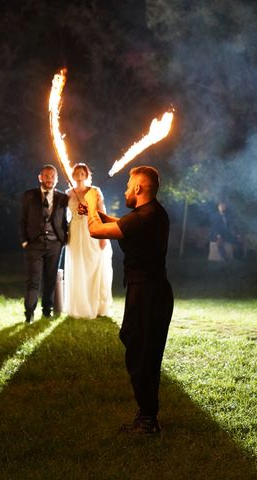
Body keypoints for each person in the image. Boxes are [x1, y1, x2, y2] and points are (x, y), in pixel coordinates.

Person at [82, 165, 173, 435]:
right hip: (151, 291)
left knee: (141, 353)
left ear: (138, 188)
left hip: (147, 294)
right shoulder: (150, 213)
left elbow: (98, 232)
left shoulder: (145, 216)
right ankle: (147, 414)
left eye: (127, 186)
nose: (125, 190)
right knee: (142, 350)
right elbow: (121, 226)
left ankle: (147, 420)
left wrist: (89, 202)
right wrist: (95, 212)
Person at [20, 164, 68, 323]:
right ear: (40, 177)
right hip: (34, 244)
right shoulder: (29, 196)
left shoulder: (62, 197)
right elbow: (22, 219)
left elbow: (66, 219)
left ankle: (47, 310)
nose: (50, 179)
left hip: (55, 244)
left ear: (56, 179)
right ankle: (29, 313)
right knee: (33, 279)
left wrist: (64, 239)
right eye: (47, 176)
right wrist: (24, 241)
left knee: (51, 279)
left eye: (53, 176)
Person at [64, 163, 113, 318]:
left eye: (82, 173)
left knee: (93, 266)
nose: (79, 175)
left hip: (91, 230)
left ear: (86, 175)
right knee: (78, 267)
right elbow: (64, 216)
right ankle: (79, 305)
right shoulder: (68, 193)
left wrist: (103, 235)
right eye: (76, 173)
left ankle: (96, 305)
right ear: (73, 175)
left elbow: (101, 212)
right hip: (75, 232)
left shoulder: (95, 191)